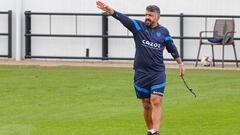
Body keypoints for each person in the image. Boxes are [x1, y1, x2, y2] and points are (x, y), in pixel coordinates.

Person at [96, 1, 185, 135]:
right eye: (146, 14)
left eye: (151, 15)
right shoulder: (138, 27)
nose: (147, 17)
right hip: (141, 73)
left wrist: (180, 64)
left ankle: (156, 131)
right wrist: (111, 11)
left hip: (158, 73)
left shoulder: (164, 32)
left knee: (156, 101)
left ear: (158, 17)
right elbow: (124, 19)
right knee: (146, 104)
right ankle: (150, 130)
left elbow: (172, 48)